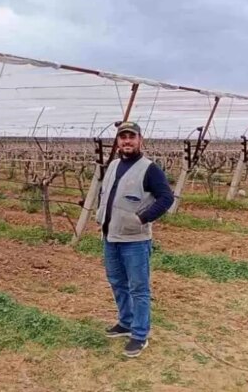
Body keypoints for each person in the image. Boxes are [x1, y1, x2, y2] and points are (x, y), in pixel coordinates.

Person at [96, 121, 174, 358]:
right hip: (111, 236)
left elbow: (166, 198)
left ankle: (140, 335)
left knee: (139, 288)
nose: (126, 141)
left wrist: (142, 218)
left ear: (140, 140)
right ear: (118, 141)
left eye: (131, 137)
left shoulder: (150, 169)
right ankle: (126, 322)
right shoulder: (114, 165)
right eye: (122, 137)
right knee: (117, 281)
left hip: (135, 240)